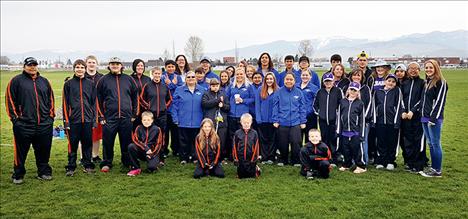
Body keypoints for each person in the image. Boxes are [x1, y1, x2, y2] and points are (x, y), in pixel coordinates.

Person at [6, 57, 55, 184]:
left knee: (44, 150)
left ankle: (43, 172)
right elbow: (10, 101)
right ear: (24, 66)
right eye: (29, 65)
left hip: (44, 124)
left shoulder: (44, 81)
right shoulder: (16, 81)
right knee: (21, 152)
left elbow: (51, 100)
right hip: (24, 124)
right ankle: (18, 174)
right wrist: (16, 120)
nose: (32, 67)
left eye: (34, 65)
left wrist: (50, 117)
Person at [96, 57, 139, 172]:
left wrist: (134, 113)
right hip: (109, 118)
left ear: (121, 65)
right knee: (108, 142)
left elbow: (135, 97)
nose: (115, 66)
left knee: (126, 141)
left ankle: (127, 161)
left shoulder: (129, 79)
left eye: (117, 64)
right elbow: (98, 99)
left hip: (126, 117)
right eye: (112, 64)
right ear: (109, 66)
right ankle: (107, 162)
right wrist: (101, 116)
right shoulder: (103, 80)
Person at [62, 59, 96, 176]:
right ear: (74, 69)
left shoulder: (90, 84)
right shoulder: (68, 84)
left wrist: (94, 119)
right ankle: (71, 166)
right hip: (73, 120)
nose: (80, 69)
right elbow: (65, 104)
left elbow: (94, 103)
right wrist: (66, 121)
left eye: (82, 67)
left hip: (87, 119)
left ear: (85, 69)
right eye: (77, 67)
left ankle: (88, 165)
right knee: (73, 144)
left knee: (87, 143)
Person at [419, 60, 448, 178]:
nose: (428, 70)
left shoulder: (441, 82)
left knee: (435, 143)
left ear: (436, 68)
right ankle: (433, 167)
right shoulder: (427, 81)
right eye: (426, 68)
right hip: (424, 118)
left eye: (431, 67)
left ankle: (437, 170)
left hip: (433, 119)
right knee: (430, 143)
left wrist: (433, 118)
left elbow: (440, 102)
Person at [272, 73, 307, 166]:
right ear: (284, 81)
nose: (289, 81)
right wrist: (275, 120)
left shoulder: (299, 92)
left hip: (296, 122)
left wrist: (303, 121)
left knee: (296, 142)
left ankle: (296, 160)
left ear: (294, 81)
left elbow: (302, 108)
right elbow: (275, 107)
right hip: (283, 122)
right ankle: (283, 160)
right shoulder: (279, 92)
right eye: (287, 79)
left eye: (291, 79)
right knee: (282, 143)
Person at [171, 71, 205, 164]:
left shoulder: (202, 90)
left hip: (197, 121)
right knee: (183, 141)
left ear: (196, 79)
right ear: (185, 79)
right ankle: (184, 158)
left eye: (193, 77)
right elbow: (174, 106)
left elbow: (205, 105)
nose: (191, 79)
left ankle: (195, 157)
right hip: (183, 121)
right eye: (188, 77)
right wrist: (175, 118)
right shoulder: (179, 90)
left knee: (196, 141)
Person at [140, 67, 172, 160]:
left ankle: (162, 153)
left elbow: (170, 99)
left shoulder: (164, 86)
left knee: (162, 134)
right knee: (151, 134)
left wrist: (165, 106)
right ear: (152, 74)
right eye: (155, 73)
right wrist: (148, 107)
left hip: (162, 115)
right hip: (151, 115)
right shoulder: (147, 86)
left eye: (159, 74)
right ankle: (150, 153)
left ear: (161, 75)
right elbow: (141, 98)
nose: (157, 75)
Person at [400, 62, 427, 173]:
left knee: (418, 140)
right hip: (405, 117)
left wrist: (412, 111)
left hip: (417, 117)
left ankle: (419, 163)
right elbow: (400, 99)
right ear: (408, 70)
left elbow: (422, 99)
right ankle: (409, 162)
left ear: (419, 70)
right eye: (411, 68)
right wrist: (403, 111)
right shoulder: (404, 83)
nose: (413, 70)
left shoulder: (422, 83)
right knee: (407, 140)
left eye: (416, 69)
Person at [372, 74, 403, 171]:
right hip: (380, 122)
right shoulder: (378, 92)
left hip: (392, 122)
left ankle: (390, 161)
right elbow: (374, 106)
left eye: (393, 82)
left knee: (392, 142)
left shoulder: (397, 91)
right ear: (385, 81)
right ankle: (381, 161)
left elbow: (399, 106)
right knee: (381, 141)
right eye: (389, 81)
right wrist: (374, 120)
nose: (391, 83)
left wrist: (396, 121)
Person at [313, 73, 343, 166]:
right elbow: (315, 105)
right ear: (323, 82)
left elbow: (342, 104)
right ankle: (325, 157)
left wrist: (338, 114)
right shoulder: (320, 92)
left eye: (330, 81)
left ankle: (334, 158)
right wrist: (319, 113)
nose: (328, 83)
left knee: (333, 138)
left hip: (334, 120)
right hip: (322, 120)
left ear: (333, 81)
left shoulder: (338, 91)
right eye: (326, 81)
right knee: (324, 138)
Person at [337, 82, 367, 174]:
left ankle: (361, 166)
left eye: (355, 90)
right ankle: (347, 164)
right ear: (348, 90)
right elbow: (339, 117)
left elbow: (362, 120)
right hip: (345, 131)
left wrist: (361, 134)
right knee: (346, 149)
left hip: (355, 132)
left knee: (357, 149)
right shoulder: (343, 102)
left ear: (358, 92)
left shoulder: (360, 103)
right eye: (351, 89)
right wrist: (338, 130)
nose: (353, 92)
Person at [226, 67, 255, 161]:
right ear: (235, 75)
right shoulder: (231, 86)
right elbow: (226, 97)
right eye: (237, 74)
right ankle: (232, 155)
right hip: (231, 115)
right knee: (232, 136)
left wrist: (243, 100)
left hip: (243, 117)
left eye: (241, 74)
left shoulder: (248, 86)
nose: (239, 76)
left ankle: (242, 155)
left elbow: (253, 99)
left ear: (244, 75)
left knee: (242, 137)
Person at [367, 59, 391, 164]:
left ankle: (385, 157)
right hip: (374, 110)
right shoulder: (372, 79)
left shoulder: (389, 78)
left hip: (386, 112)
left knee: (384, 135)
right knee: (372, 134)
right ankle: (373, 155)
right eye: (378, 67)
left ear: (386, 69)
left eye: (382, 67)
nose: (380, 69)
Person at [201, 78, 230, 162]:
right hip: (210, 122)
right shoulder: (206, 94)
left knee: (221, 140)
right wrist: (217, 101)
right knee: (210, 140)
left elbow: (228, 107)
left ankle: (220, 158)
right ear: (210, 86)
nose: (215, 87)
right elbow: (204, 104)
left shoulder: (223, 94)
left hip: (221, 122)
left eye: (217, 86)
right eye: (213, 86)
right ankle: (209, 157)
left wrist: (223, 105)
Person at [127, 111, 163, 176]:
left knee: (151, 168)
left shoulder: (157, 129)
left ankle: (154, 163)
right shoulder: (138, 128)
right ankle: (135, 167)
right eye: (144, 120)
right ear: (141, 120)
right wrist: (146, 148)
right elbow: (136, 140)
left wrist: (152, 154)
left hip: (152, 152)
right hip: (142, 150)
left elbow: (159, 144)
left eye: (148, 120)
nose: (146, 121)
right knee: (131, 146)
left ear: (152, 120)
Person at [349, 68, 372, 164]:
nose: (356, 77)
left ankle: (363, 161)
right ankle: (353, 160)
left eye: (358, 75)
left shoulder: (365, 88)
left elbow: (369, 103)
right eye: (354, 75)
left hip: (363, 121)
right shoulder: (349, 88)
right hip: (351, 122)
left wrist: (364, 118)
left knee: (363, 140)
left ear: (362, 77)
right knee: (352, 141)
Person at [255, 72, 279, 164]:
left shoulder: (278, 90)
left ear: (274, 80)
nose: (269, 81)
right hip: (263, 119)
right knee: (263, 139)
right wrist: (258, 118)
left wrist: (277, 119)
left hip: (273, 120)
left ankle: (271, 157)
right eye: (267, 79)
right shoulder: (260, 90)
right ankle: (264, 157)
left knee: (273, 139)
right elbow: (257, 105)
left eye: (271, 79)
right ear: (265, 80)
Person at [85, 55, 104, 163]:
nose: (91, 64)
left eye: (93, 62)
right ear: (86, 64)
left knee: (96, 136)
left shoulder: (102, 77)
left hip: (98, 110)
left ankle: (95, 155)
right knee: (85, 136)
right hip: (86, 110)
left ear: (96, 64)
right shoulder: (82, 76)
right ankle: (84, 157)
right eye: (89, 62)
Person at [162, 60, 183, 157]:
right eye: (169, 66)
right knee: (165, 132)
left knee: (175, 132)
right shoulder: (162, 77)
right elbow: (163, 90)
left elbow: (179, 90)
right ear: (166, 67)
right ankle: (164, 150)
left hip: (175, 108)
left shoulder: (178, 77)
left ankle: (175, 150)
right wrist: (172, 85)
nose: (170, 68)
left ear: (175, 67)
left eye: (172, 66)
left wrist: (170, 84)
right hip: (165, 108)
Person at [232, 113, 261, 179]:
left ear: (251, 122)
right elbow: (234, 146)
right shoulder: (237, 133)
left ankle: (256, 168)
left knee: (251, 176)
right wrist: (235, 158)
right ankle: (240, 170)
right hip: (240, 158)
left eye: (248, 122)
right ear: (241, 122)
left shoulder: (254, 133)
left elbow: (257, 146)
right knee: (241, 176)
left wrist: (254, 159)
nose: (246, 124)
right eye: (244, 122)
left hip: (251, 158)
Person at [297, 69, 320, 144]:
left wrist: (313, 111)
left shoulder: (314, 88)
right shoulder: (296, 86)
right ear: (300, 76)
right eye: (303, 75)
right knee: (298, 138)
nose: (305, 77)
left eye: (307, 75)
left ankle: (309, 154)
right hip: (298, 116)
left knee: (310, 137)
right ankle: (299, 154)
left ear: (310, 77)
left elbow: (317, 102)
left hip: (310, 116)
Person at [130, 59, 151, 130]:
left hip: (145, 108)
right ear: (134, 67)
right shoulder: (130, 79)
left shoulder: (147, 79)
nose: (140, 67)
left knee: (145, 128)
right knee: (134, 128)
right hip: (133, 108)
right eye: (138, 65)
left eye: (142, 66)